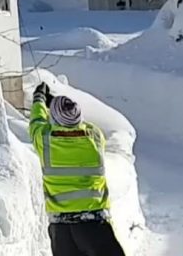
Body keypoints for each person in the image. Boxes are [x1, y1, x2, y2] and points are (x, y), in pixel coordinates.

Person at [30, 82, 126, 256]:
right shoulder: (95, 137)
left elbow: (36, 120)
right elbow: (81, 124)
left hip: (61, 229)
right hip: (94, 224)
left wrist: (40, 99)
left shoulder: (45, 140)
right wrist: (59, 107)